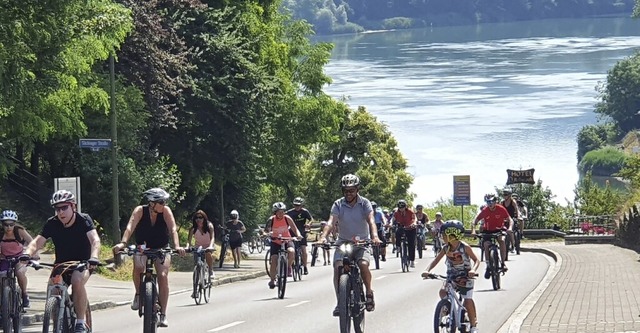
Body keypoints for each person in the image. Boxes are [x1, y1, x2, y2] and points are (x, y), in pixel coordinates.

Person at [24, 190, 101, 333]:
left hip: (83, 263)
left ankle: (80, 322)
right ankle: (57, 325)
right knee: (52, 289)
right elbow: (36, 243)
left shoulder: (84, 220)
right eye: (57, 209)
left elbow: (95, 240)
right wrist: (27, 254)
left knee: (77, 280)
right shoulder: (52, 223)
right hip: (61, 264)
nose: (60, 212)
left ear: (73, 206)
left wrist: (94, 257)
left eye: (64, 207)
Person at [111, 188, 185, 328]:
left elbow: (173, 229)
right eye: (161, 202)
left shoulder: (166, 211)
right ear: (152, 203)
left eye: (164, 202)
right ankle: (139, 294)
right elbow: (129, 227)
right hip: (143, 247)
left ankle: (163, 314)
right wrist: (123, 243)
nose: (164, 204)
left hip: (161, 247)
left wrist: (177, 246)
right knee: (138, 267)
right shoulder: (140, 211)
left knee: (162, 275)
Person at [319, 174, 381, 317]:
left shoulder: (365, 203)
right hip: (343, 243)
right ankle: (340, 302)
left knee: (363, 265)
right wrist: (323, 237)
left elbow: (371, 221)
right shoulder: (338, 204)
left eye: (351, 190)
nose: (349, 193)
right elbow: (331, 222)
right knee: (338, 267)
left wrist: (375, 237)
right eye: (346, 191)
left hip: (361, 243)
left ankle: (369, 292)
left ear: (357, 190)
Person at [421, 221, 480, 333]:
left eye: (444, 234)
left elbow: (476, 260)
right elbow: (436, 260)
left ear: (452, 235)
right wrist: (427, 270)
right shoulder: (445, 248)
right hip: (451, 276)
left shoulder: (464, 247)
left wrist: (473, 270)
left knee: (467, 301)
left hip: (465, 277)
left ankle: (473, 325)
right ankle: (448, 308)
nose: (442, 237)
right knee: (443, 292)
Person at [472, 193, 512, 277]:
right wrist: (473, 230)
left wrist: (510, 228)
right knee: (486, 245)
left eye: (491, 202)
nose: (490, 204)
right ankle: (488, 266)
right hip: (488, 230)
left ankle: (503, 263)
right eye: (488, 202)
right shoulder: (485, 210)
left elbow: (510, 219)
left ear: (495, 201)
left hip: (499, 229)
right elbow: (475, 220)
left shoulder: (501, 209)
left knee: (501, 241)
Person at [265, 202, 302, 289]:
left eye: (282, 212)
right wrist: (267, 234)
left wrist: (298, 235)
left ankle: (287, 267)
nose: (281, 214)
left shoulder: (287, 218)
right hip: (275, 241)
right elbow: (265, 231)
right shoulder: (271, 220)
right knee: (274, 260)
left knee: (291, 252)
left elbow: (295, 229)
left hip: (287, 239)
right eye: (279, 212)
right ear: (275, 213)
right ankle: (272, 279)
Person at [0, 210, 34, 307]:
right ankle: (3, 300)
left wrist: (31, 254)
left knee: (20, 272)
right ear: (2, 224)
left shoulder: (19, 231)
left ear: (15, 224)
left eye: (11, 224)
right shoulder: (1, 233)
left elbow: (32, 243)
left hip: (20, 258)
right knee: (1, 276)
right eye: (6, 225)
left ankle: (24, 294)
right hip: (5, 258)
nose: (9, 227)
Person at [286, 197, 314, 274]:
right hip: (292, 232)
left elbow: (311, 219)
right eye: (295, 205)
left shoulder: (305, 212)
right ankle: (290, 265)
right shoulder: (289, 212)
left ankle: (305, 266)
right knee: (291, 249)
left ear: (302, 205)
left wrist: (308, 224)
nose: (297, 207)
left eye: (299, 205)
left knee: (303, 249)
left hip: (302, 232)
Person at [186, 210, 216, 280]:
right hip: (198, 247)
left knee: (208, 253)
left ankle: (210, 270)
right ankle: (197, 280)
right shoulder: (193, 229)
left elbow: (212, 238)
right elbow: (189, 240)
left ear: (204, 218)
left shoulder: (209, 226)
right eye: (196, 218)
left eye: (200, 217)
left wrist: (210, 246)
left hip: (208, 245)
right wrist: (188, 247)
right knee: (197, 262)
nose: (198, 219)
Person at [393, 199, 417, 268]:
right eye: (400, 207)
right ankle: (398, 246)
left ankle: (412, 261)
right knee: (397, 232)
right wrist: (392, 224)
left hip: (410, 228)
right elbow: (393, 220)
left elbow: (414, 219)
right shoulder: (396, 213)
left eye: (403, 207)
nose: (401, 209)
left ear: (405, 206)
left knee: (411, 245)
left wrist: (413, 224)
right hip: (402, 227)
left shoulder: (410, 211)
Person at [500, 188, 518, 253]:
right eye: (504, 194)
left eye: (506, 194)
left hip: (512, 217)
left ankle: (513, 245)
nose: (504, 195)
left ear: (509, 195)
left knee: (510, 232)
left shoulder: (513, 202)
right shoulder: (502, 202)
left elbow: (516, 209)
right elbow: (500, 210)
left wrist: (517, 216)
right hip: (505, 218)